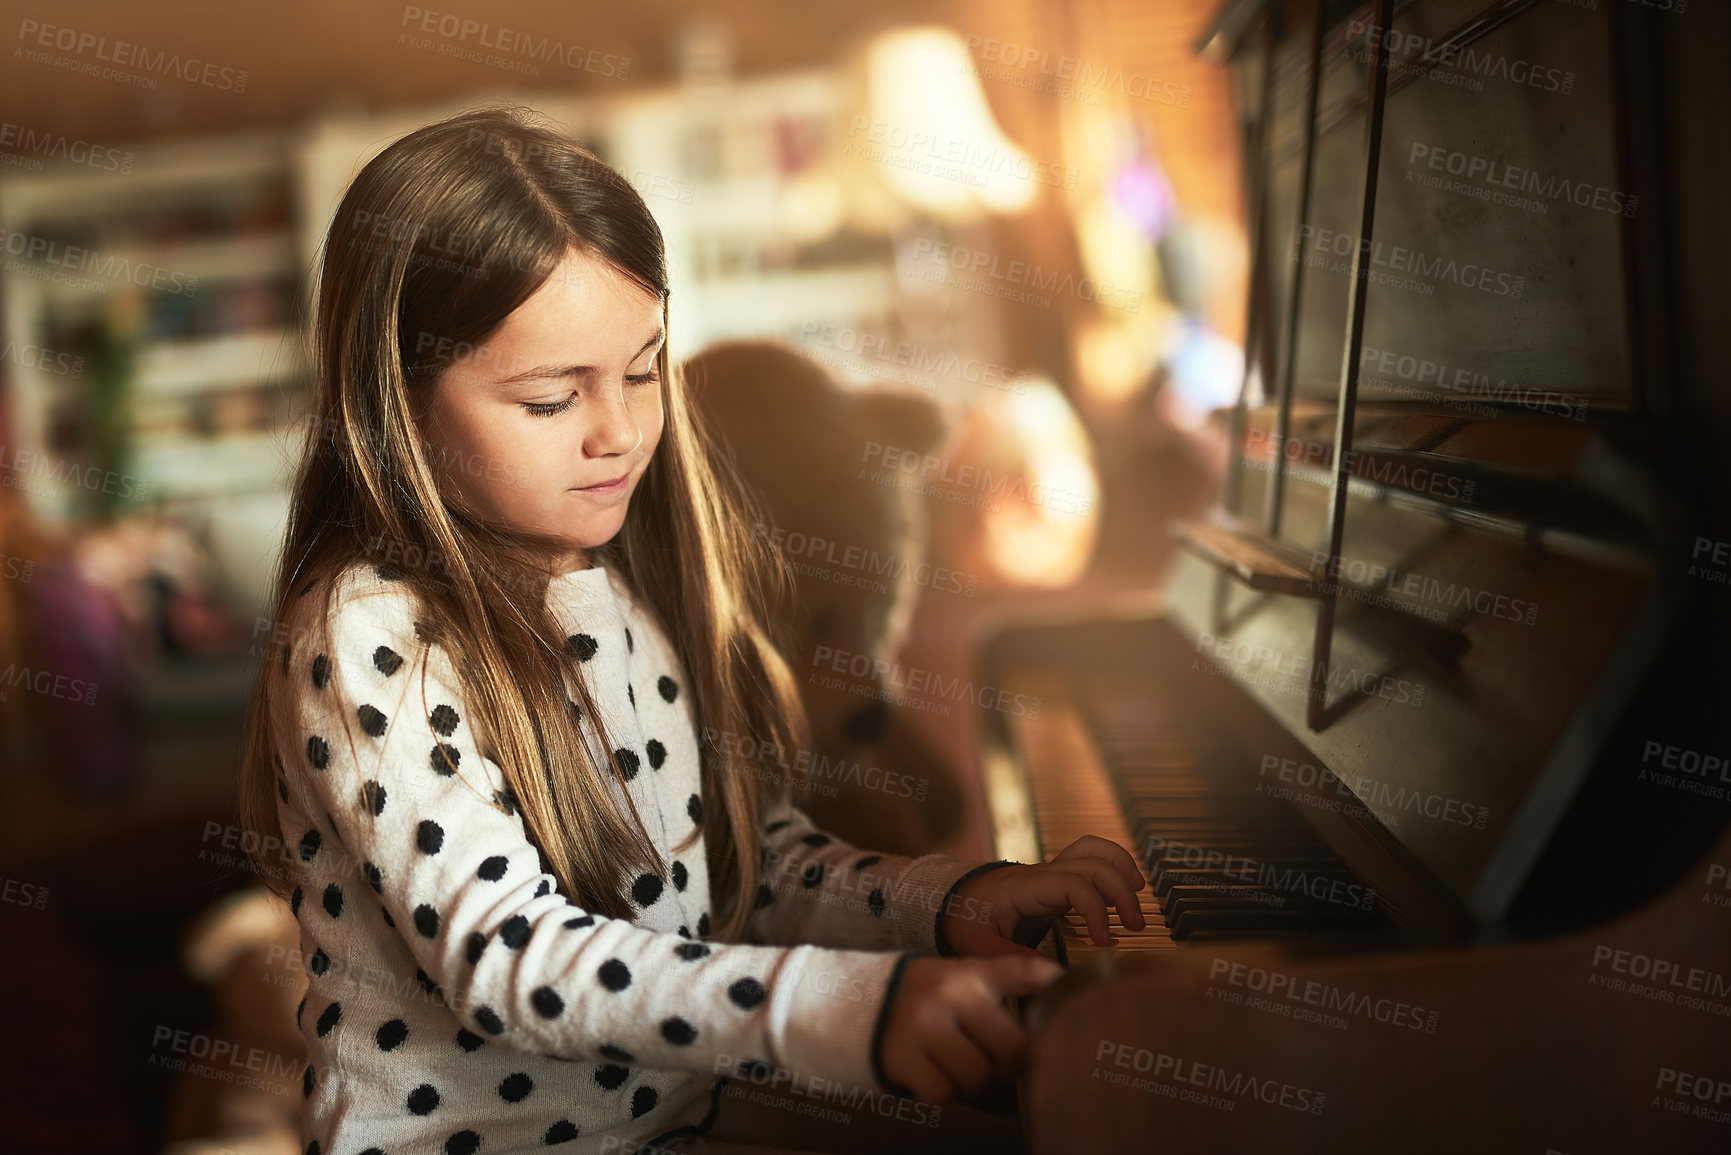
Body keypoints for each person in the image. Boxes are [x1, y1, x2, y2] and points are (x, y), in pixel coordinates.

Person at [235, 105, 1147, 1155]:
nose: (620, 431)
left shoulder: (620, 580)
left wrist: (939, 905)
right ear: (395, 403)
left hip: (682, 1114)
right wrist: (841, 1008)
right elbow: (508, 957)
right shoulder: (364, 629)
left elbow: (743, 870)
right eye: (547, 399)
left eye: (641, 368)